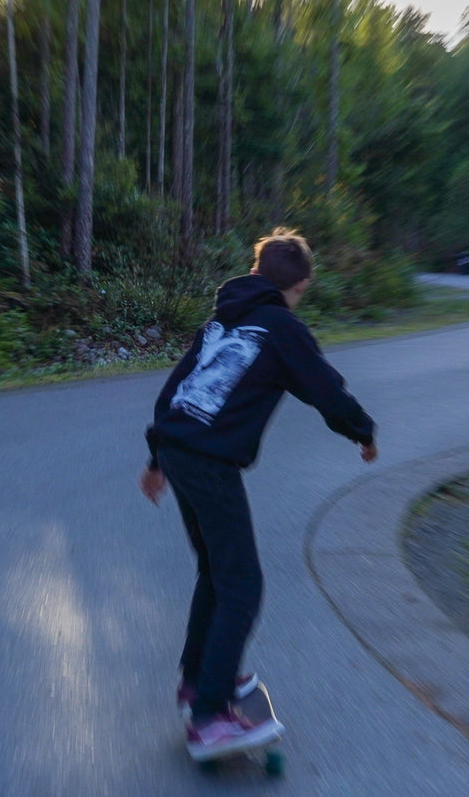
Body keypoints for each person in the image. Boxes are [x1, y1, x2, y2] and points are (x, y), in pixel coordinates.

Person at [140, 228, 377, 761]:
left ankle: (197, 680)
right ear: (300, 284)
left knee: (216, 571)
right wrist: (362, 431)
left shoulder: (219, 321)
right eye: (303, 290)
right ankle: (209, 717)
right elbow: (325, 389)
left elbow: (175, 390)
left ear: (255, 273)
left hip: (180, 451)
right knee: (243, 585)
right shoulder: (282, 326)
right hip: (207, 464)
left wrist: (157, 459)